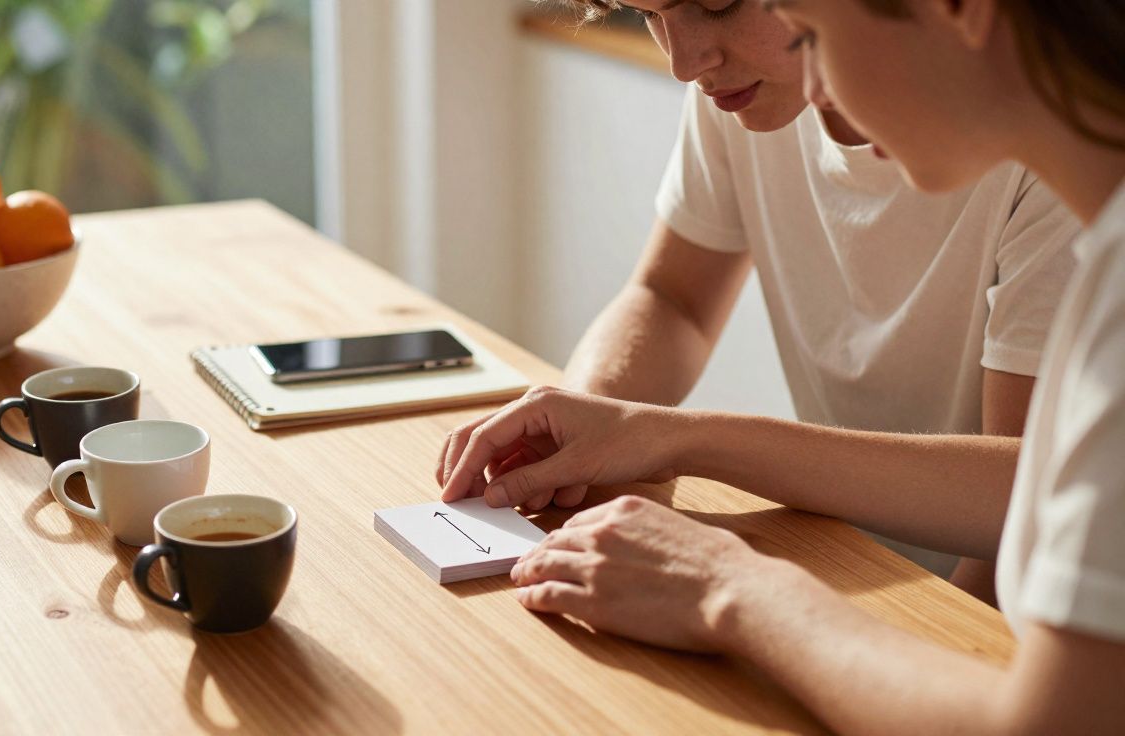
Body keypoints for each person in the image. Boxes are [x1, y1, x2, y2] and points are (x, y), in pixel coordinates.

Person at [440, 0, 1125, 731]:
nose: (819, 97)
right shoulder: (1104, 250)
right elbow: (1033, 500)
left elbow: (1041, 707)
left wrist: (733, 588)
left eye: (814, 35)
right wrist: (633, 433)